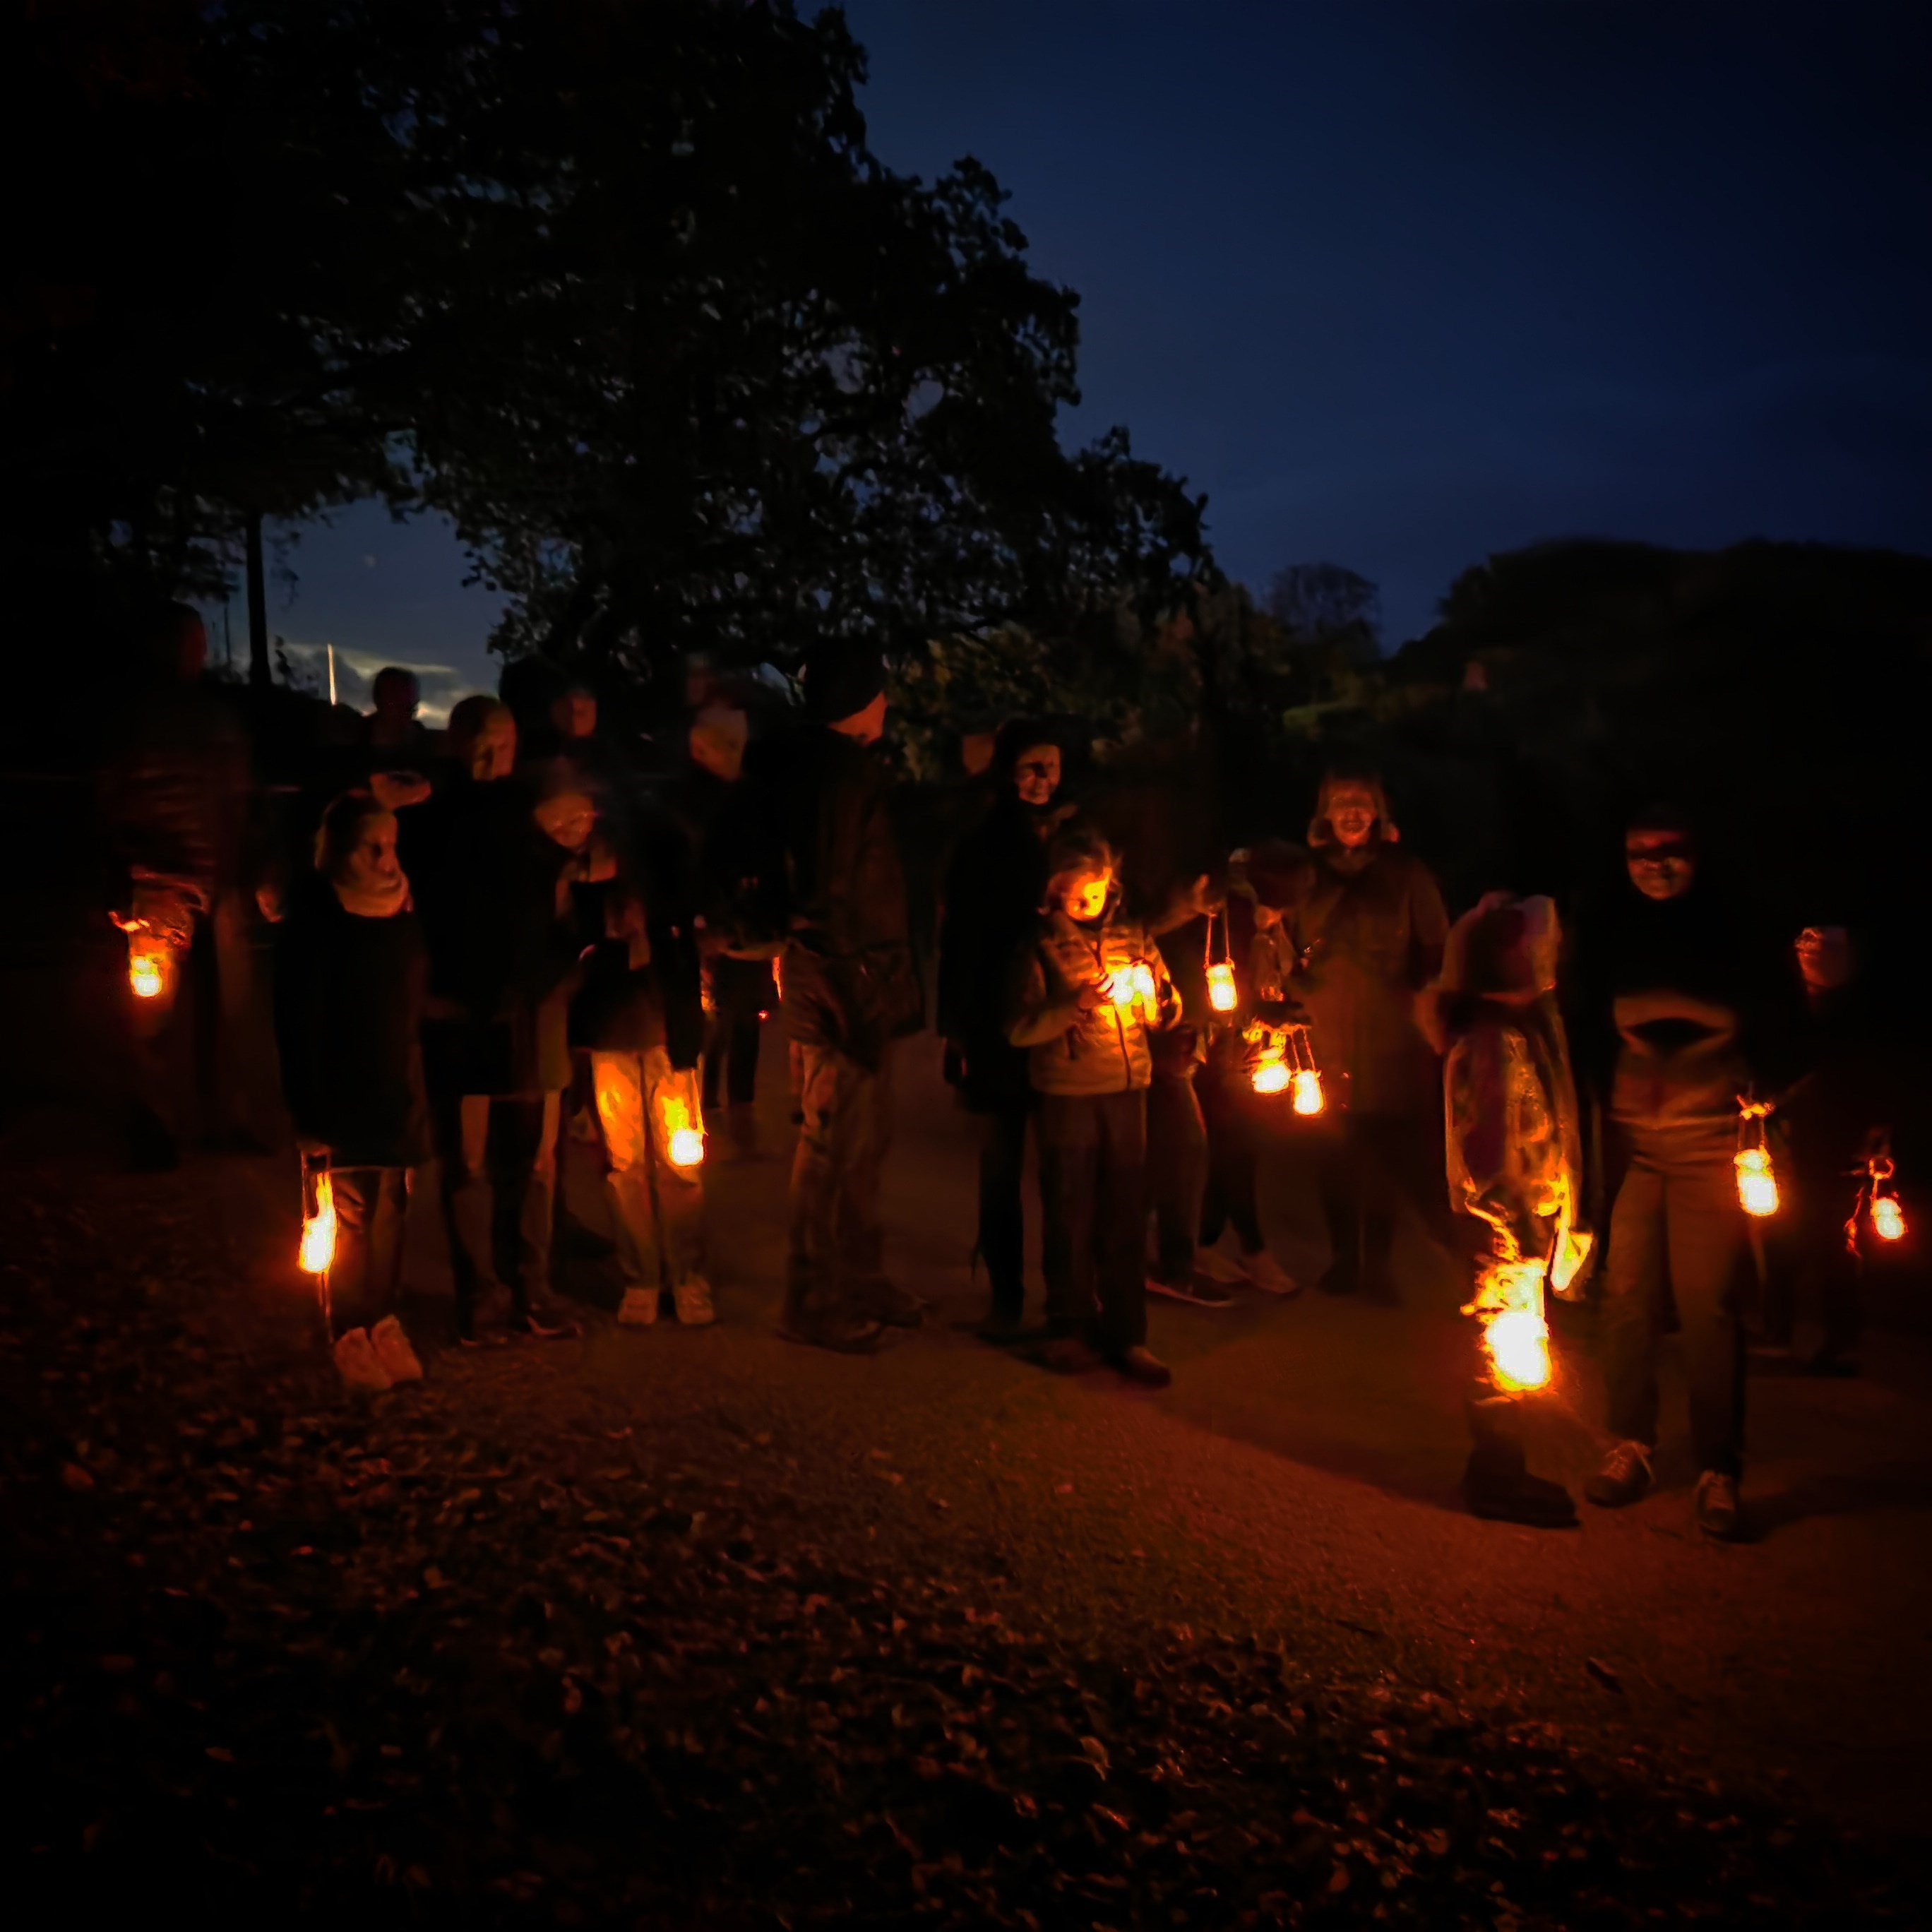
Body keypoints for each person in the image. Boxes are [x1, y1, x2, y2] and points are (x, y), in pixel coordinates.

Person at [1574, 806, 1803, 1540]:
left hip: (1711, 1144)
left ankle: (1718, 1468)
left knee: (1707, 1307)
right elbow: (1580, 1022)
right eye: (1640, 852)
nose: (1655, 864)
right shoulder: (1611, 931)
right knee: (1626, 1296)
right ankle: (1631, 1444)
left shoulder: (1736, 932)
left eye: (1670, 852)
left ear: (1697, 855)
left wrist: (1766, 1084)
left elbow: (1789, 1026)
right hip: (1639, 1146)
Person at [404, 697, 579, 1342]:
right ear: (455, 743)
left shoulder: (531, 820)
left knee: (532, 1161)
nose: (491, 754)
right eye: (479, 741)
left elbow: (563, 905)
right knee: (469, 1162)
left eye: (502, 742)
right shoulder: (428, 822)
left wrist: (555, 977)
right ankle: (482, 1291)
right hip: (459, 1011)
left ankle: (531, 1283)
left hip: (526, 1012)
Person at [1421, 893, 1592, 1526]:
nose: (1549, 957)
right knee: (1502, 1346)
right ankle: (1495, 1476)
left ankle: (1502, 1466)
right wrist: (1511, 1228)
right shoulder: (1493, 1041)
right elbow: (1487, 1145)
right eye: (1536, 950)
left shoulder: (1522, 1028)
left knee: (1508, 1345)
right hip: (1504, 1229)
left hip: (1524, 1222)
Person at [774, 643, 925, 1352]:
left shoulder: (826, 772)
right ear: (857, 703)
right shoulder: (839, 780)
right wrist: (855, 986)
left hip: (852, 978)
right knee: (832, 1140)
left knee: (862, 1142)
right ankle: (810, 1295)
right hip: (841, 983)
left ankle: (858, 1274)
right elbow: (827, 894)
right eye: (878, 694)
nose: (886, 706)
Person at [1010, 824, 1181, 1388]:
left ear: (1113, 888)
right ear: (1054, 892)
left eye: (1098, 892)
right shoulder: (1039, 946)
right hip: (1069, 1094)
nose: (1089, 903)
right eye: (1076, 894)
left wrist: (1160, 1000)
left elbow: (1166, 1003)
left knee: (1127, 1213)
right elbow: (1018, 1028)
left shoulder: (1134, 936)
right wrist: (1074, 1005)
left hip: (1129, 1090)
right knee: (1070, 1211)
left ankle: (1128, 1334)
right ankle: (1069, 1327)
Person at [273, 791, 431, 1392]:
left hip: (394, 1086)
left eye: (392, 846)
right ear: (341, 851)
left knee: (392, 1207)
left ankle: (384, 1319)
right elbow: (296, 1021)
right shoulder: (315, 918)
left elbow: (410, 999)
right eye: (374, 847)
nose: (388, 860)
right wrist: (306, 1111)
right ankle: (347, 1329)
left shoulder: (402, 908)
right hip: (338, 1088)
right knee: (348, 1215)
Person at [100, 602, 266, 1168]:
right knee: (153, 1015)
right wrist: (119, 875)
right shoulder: (132, 719)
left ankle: (224, 1121)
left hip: (222, 883)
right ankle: (155, 1125)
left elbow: (242, 799)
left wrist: (250, 869)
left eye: (197, 642)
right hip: (159, 884)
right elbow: (105, 800)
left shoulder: (217, 717)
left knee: (231, 1015)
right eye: (184, 642)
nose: (193, 653)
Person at [936, 722, 1075, 1339]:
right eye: (1030, 767)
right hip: (997, 1017)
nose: (1041, 779)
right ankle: (1006, 1295)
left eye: (1051, 766)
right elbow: (958, 939)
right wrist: (958, 1029)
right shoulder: (982, 842)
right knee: (1001, 1166)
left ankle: (1069, 1299)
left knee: (1066, 1167)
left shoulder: (1077, 839)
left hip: (1067, 1025)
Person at [1293, 768, 1450, 1297]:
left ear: (1380, 812)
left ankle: (1378, 1266)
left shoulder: (1408, 875)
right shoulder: (1304, 876)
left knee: (1383, 1149)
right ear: (1325, 815)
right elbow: (1280, 944)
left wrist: (1428, 1003)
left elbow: (1436, 947)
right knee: (1331, 1150)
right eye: (1342, 803)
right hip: (1325, 1027)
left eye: (1362, 803)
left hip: (1390, 1032)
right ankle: (1343, 1258)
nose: (1353, 812)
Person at [562, 784, 713, 1328]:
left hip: (666, 1033)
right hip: (610, 1037)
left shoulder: (668, 868)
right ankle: (642, 1279)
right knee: (625, 1166)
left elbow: (693, 928)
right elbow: (571, 952)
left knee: (680, 1163)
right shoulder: (581, 879)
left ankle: (687, 1276)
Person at [1195, 840, 1316, 1293]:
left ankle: (1202, 1245)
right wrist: (1262, 1015)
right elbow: (1213, 995)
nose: (1281, 914)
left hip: (1266, 1059)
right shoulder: (1227, 925)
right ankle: (1253, 1250)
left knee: (1240, 1153)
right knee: (1235, 1152)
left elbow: (1281, 979)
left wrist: (1293, 1009)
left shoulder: (1277, 928)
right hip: (1221, 1058)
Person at [681, 703, 784, 1151]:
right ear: (698, 746)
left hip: (747, 932)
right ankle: (698, 1115)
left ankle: (741, 1115)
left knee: (746, 1022)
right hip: (706, 933)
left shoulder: (755, 797)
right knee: (711, 1027)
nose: (732, 753)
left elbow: (769, 862)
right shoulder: (687, 801)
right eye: (722, 744)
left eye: (737, 744)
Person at [1146, 870, 1235, 1310]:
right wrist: (1185, 904)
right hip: (1162, 1043)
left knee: (1175, 1152)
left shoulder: (1212, 925)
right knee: (1184, 1150)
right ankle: (1172, 1268)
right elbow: (1143, 934)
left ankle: (1164, 1261)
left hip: (1186, 1039)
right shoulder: (1152, 909)